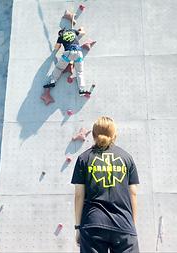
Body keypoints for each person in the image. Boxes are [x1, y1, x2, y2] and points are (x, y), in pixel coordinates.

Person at [71, 116, 140, 253]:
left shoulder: (84, 158)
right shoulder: (127, 158)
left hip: (93, 224)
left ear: (94, 134)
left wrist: (78, 228)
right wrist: (132, 225)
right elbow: (133, 193)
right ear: (114, 134)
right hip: (123, 224)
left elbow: (79, 195)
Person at [44, 27, 91, 95]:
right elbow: (83, 33)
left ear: (60, 33)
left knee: (59, 68)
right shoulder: (73, 31)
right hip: (79, 53)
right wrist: (81, 29)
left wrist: (59, 42)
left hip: (68, 53)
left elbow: (57, 47)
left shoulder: (61, 36)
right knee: (80, 72)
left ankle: (52, 81)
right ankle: (81, 89)